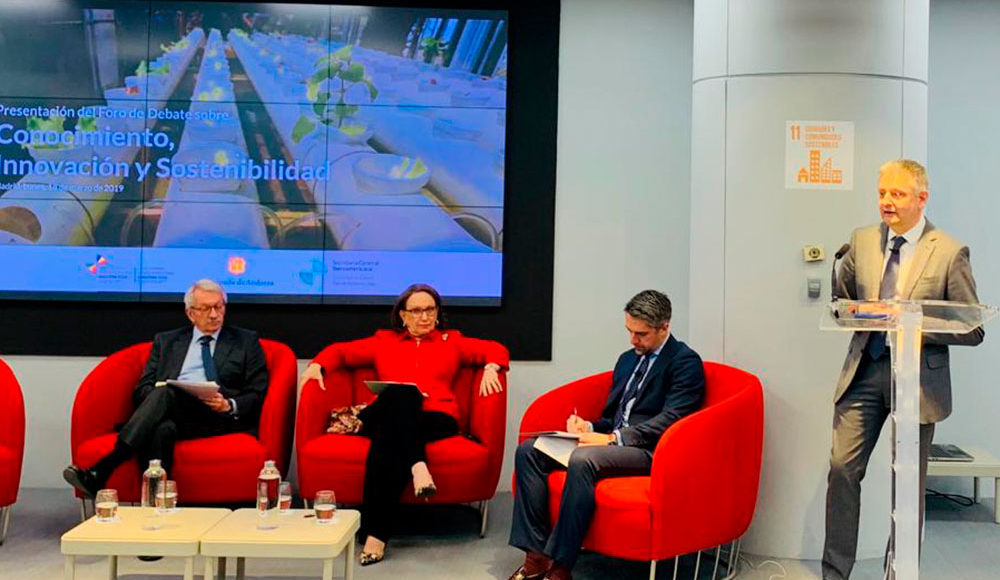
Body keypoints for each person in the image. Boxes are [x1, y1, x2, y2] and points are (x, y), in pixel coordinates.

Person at [822, 159, 984, 580]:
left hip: (917, 381)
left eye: (897, 194)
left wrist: (912, 322)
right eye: (882, 193)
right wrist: (850, 305)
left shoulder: (949, 251)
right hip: (865, 371)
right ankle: (834, 573)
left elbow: (972, 327)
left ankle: (898, 574)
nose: (886, 202)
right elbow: (844, 306)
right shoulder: (861, 241)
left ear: (921, 198)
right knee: (842, 469)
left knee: (908, 482)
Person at [299, 282, 509, 566]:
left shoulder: (452, 341)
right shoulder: (383, 341)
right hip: (385, 412)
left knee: (389, 439)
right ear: (403, 315)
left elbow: (495, 348)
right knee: (401, 394)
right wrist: (317, 365)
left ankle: (375, 534)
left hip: (436, 417)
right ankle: (418, 466)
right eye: (417, 311)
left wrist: (492, 367)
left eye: (430, 310)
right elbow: (340, 352)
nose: (425, 316)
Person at [507, 290, 705, 580]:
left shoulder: (685, 363)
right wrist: (588, 427)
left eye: (641, 334)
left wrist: (613, 439)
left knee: (584, 459)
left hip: (650, 451)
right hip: (612, 443)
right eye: (629, 331)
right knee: (529, 451)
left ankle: (561, 567)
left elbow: (671, 420)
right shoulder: (627, 360)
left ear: (665, 327)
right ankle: (536, 557)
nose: (633, 340)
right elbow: (614, 417)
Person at [63, 279, 269, 498]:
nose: (213, 314)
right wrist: (161, 394)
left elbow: (257, 391)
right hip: (173, 414)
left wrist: (228, 404)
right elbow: (142, 390)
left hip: (216, 417)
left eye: (219, 307)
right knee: (163, 427)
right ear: (190, 313)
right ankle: (156, 502)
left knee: (166, 395)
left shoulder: (245, 341)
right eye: (205, 308)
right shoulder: (167, 342)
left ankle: (104, 468)